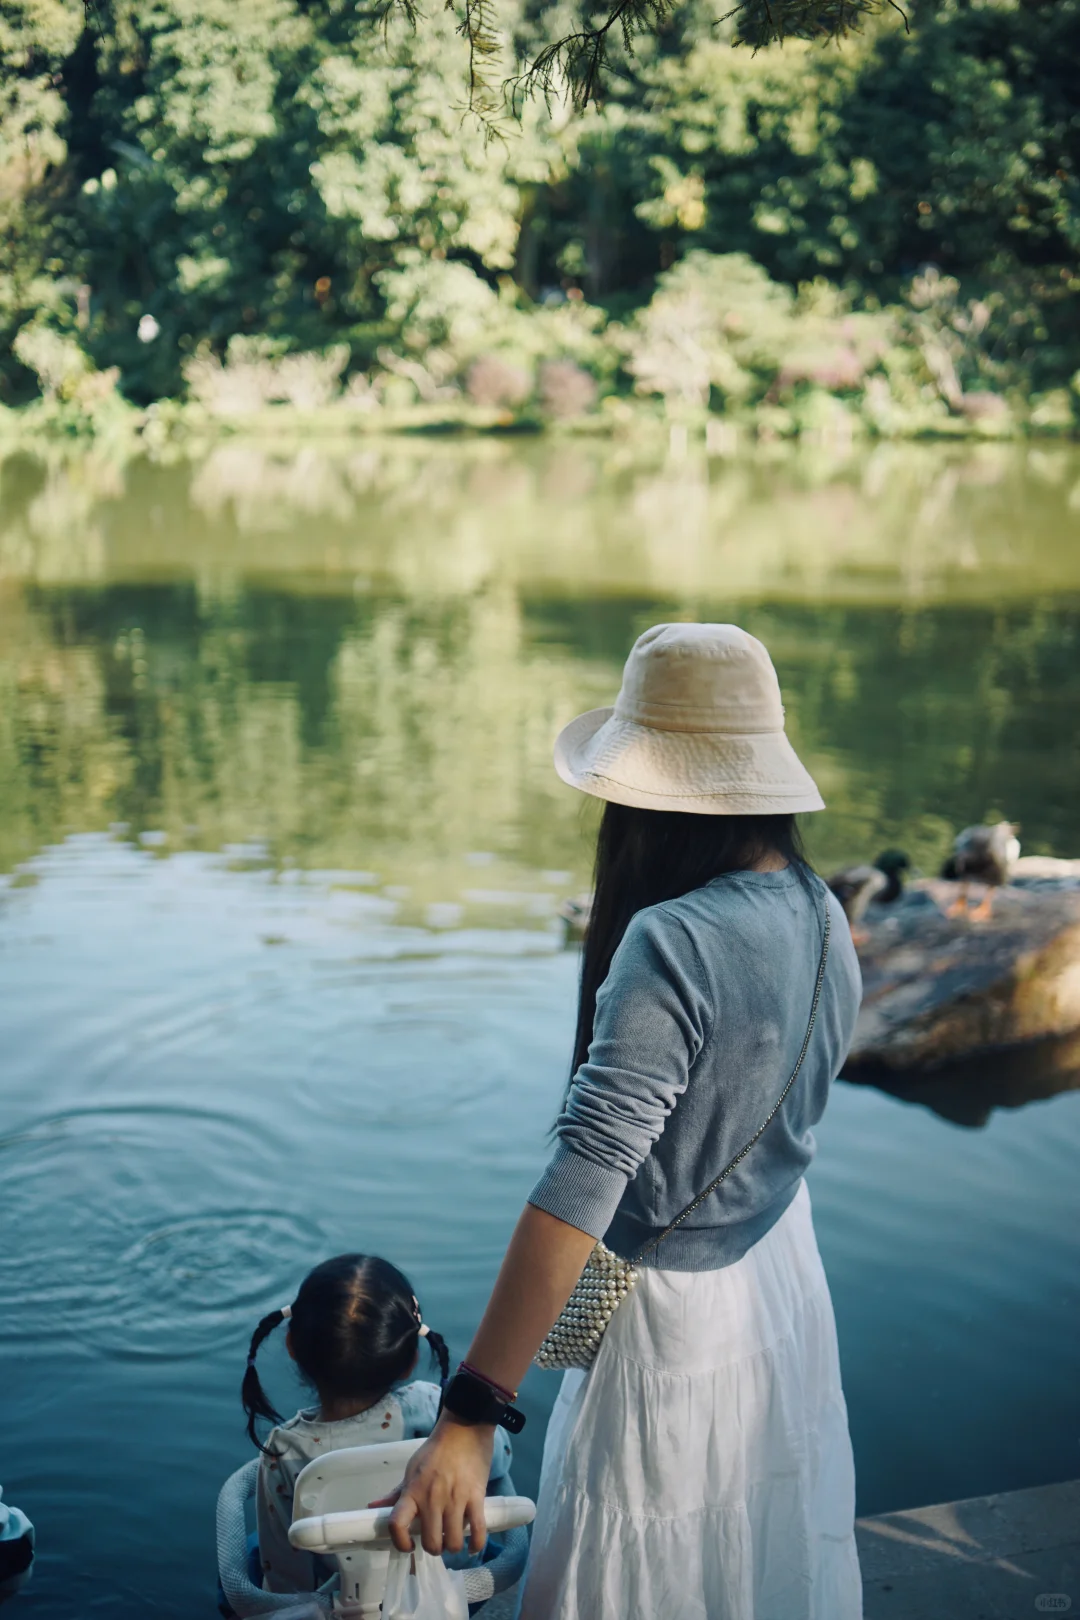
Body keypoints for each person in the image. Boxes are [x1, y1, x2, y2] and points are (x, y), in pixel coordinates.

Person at [383, 623, 864, 1620]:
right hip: (781, 1285)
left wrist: (471, 1416)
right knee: (754, 1553)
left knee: (643, 1569)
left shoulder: (671, 939)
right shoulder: (822, 911)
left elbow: (582, 1187)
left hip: (674, 1326)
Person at [241, 1252, 512, 1595]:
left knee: (249, 1557)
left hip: (349, 1597)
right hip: (456, 1588)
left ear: (292, 1346)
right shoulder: (435, 1409)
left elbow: (284, 1570)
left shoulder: (285, 1450)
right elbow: (497, 1455)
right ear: (411, 1360)